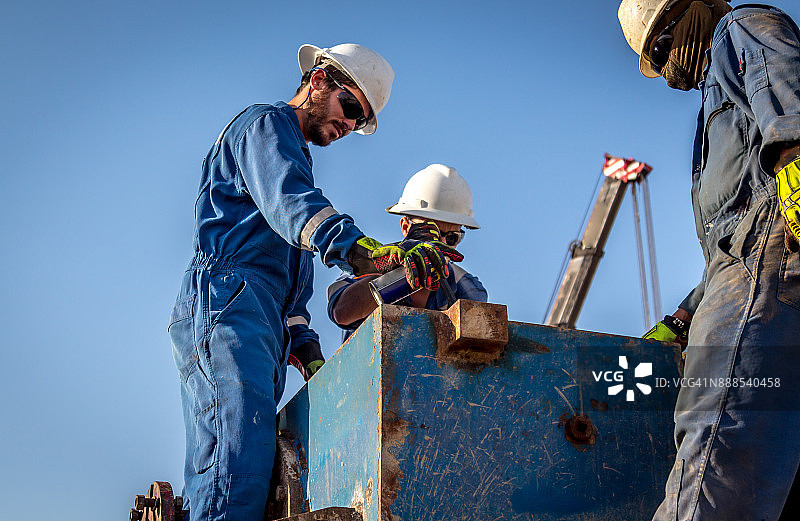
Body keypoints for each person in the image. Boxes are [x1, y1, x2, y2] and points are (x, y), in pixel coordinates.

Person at [167, 44, 462, 521]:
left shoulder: (292, 164)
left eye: (358, 122)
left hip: (257, 317)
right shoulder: (266, 127)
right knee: (233, 462)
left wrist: (308, 351)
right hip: (226, 300)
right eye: (350, 109)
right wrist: (369, 252)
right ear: (319, 79)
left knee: (256, 461)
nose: (348, 127)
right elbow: (296, 206)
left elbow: (292, 294)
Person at [618, 1, 800, 519]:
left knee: (716, 449)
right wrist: (684, 315)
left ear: (690, 12)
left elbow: (787, 100)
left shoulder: (739, 29)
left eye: (662, 46)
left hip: (765, 274)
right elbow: (729, 237)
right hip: (753, 276)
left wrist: (794, 159)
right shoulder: (711, 116)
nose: (670, 70)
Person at [327, 164, 487, 341]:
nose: (440, 244)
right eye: (430, 233)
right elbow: (342, 312)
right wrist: (405, 277)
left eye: (452, 238)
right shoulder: (373, 262)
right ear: (405, 227)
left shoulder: (466, 289)